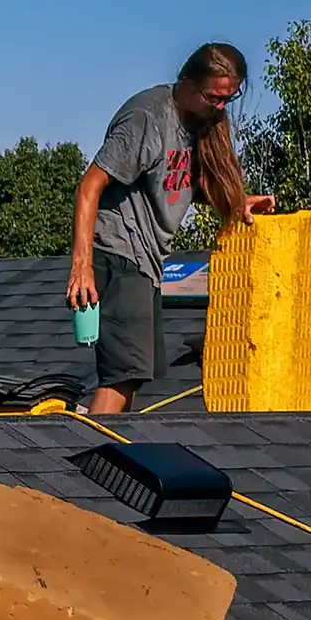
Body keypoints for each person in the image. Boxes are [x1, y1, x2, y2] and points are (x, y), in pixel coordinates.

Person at [68, 43, 276, 414]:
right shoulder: (146, 118)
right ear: (187, 82)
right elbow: (89, 186)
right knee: (121, 375)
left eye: (229, 99)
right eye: (214, 98)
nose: (221, 108)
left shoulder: (198, 124)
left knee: (135, 375)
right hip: (116, 252)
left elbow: (181, 184)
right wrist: (81, 266)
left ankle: (111, 454)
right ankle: (91, 459)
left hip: (147, 262)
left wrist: (234, 202)